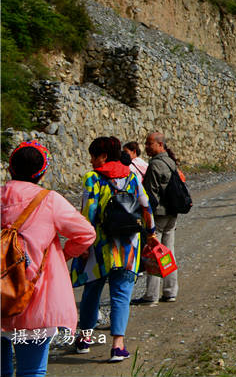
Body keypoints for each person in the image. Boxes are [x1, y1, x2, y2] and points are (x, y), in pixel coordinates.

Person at [2, 141, 96, 377]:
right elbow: (86, 233)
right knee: (32, 371)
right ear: (41, 172)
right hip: (34, 299)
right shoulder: (49, 200)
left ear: (11, 167)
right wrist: (64, 253)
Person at [70, 136, 154, 363]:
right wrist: (151, 233)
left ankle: (84, 339)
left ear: (103, 156)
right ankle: (118, 345)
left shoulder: (93, 179)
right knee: (121, 294)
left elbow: (88, 213)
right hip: (127, 246)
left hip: (99, 247)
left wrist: (83, 244)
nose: (91, 160)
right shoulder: (132, 177)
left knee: (91, 293)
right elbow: (145, 206)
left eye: (93, 155)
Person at [136, 132, 178, 306]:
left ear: (160, 144)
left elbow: (149, 195)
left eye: (149, 144)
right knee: (168, 251)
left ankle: (151, 294)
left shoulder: (154, 165)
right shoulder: (170, 161)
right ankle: (170, 291)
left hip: (159, 215)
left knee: (154, 253)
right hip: (172, 213)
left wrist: (146, 219)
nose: (146, 147)